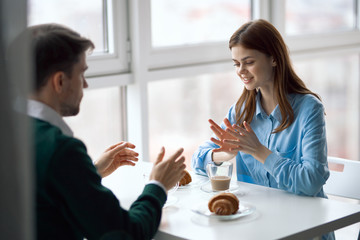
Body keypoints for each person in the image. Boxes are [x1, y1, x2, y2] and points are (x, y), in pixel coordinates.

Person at [26, 23, 186, 240]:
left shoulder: (15, 132)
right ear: (60, 81)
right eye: (82, 74)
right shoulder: (61, 149)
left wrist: (92, 171)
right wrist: (157, 185)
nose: (86, 85)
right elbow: (126, 233)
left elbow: (44, 194)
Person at [192, 19, 331, 198]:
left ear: (273, 58)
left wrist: (259, 151)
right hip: (259, 218)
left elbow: (311, 182)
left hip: (306, 222)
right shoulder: (241, 112)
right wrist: (223, 156)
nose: (241, 70)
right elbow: (197, 161)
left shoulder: (309, 109)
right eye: (236, 63)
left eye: (248, 62)